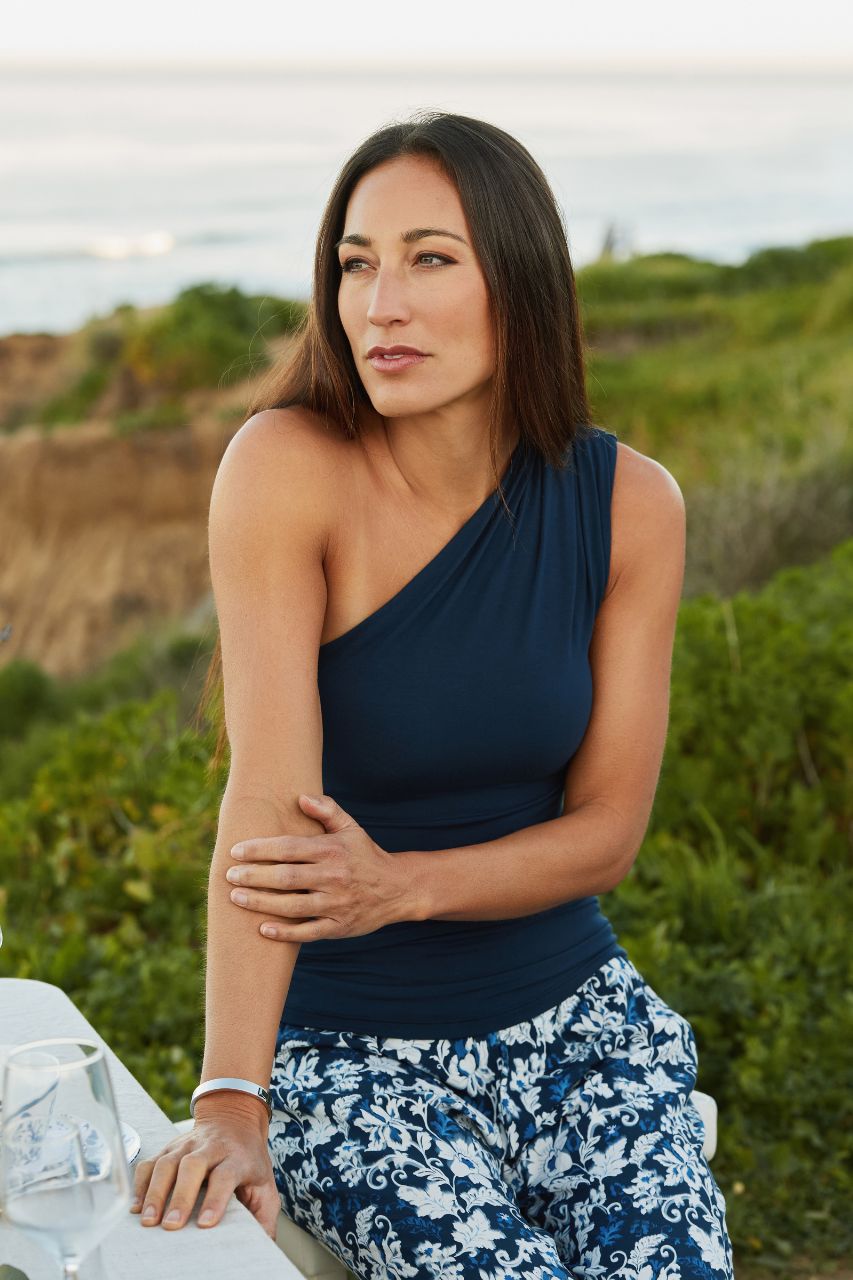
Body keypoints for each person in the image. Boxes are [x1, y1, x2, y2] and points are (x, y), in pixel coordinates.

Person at [131, 110, 735, 1279]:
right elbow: (265, 801)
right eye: (356, 262)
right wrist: (229, 1096)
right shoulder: (284, 466)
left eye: (428, 258)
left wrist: (399, 885)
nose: (379, 304)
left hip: (581, 1027)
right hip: (352, 1061)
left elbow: (607, 831)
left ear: (519, 282)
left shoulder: (630, 506)